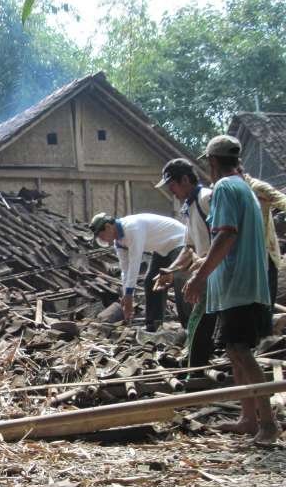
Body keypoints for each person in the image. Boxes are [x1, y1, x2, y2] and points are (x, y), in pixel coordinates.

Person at [183, 134, 281, 445]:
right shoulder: (245, 187)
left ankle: (267, 423)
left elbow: (225, 236)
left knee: (241, 351)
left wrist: (200, 276)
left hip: (238, 285)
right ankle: (248, 418)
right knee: (234, 350)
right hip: (244, 285)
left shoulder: (225, 187)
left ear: (211, 162)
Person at [153, 158, 216, 368]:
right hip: (207, 270)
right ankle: (199, 360)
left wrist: (204, 266)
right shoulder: (189, 208)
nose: (171, 191)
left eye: (172, 185)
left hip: (217, 268)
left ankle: (195, 367)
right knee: (201, 317)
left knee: (198, 318)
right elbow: (188, 248)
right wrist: (170, 270)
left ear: (186, 180)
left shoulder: (207, 198)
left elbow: (226, 235)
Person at [89, 212, 188, 331]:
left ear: (109, 227)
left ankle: (188, 325)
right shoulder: (119, 242)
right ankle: (153, 327)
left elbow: (134, 263)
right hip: (162, 248)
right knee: (151, 282)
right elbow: (125, 270)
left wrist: (130, 296)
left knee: (179, 279)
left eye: (101, 235)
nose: (102, 239)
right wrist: (126, 296)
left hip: (179, 240)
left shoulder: (132, 227)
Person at [241, 170, 286, 306]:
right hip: (245, 257)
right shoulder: (228, 191)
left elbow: (283, 201)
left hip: (265, 253)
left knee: (265, 304)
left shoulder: (258, 188)